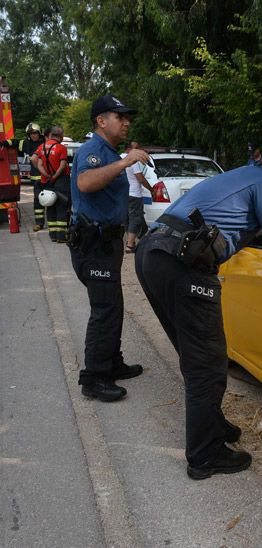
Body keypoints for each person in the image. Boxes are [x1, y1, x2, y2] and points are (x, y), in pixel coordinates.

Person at [135, 147, 262, 479]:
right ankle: (204, 456)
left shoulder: (242, 176)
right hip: (185, 262)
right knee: (208, 365)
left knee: (195, 355)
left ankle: (211, 425)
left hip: (153, 252)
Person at [68, 94, 151, 402]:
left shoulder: (108, 150)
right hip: (94, 243)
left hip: (107, 241)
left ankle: (111, 363)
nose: (127, 122)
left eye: (128, 117)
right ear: (101, 121)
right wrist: (125, 161)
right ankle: (93, 378)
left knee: (113, 305)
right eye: (120, 117)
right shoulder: (93, 150)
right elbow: (86, 183)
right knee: (104, 309)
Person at [5, 123, 46, 230]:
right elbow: (14, 142)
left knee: (52, 200)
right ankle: (39, 223)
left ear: (39, 133)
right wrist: (4, 143)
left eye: (35, 133)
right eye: (31, 134)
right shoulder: (26, 144)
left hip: (49, 177)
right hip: (36, 178)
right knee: (38, 200)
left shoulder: (46, 142)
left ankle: (53, 223)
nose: (33, 135)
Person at [34, 125, 71, 242]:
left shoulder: (41, 147)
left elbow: (38, 163)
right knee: (61, 206)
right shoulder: (61, 148)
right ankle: (61, 236)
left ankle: (53, 235)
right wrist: (55, 176)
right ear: (61, 136)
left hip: (47, 181)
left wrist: (46, 175)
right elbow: (63, 164)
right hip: (61, 180)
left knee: (50, 206)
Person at [123, 141, 154, 253]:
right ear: (128, 149)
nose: (138, 150)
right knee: (135, 218)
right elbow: (140, 178)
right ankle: (130, 245)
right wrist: (151, 189)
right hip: (134, 194)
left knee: (127, 218)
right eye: (135, 148)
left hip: (123, 194)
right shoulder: (133, 160)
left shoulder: (118, 158)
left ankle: (129, 241)